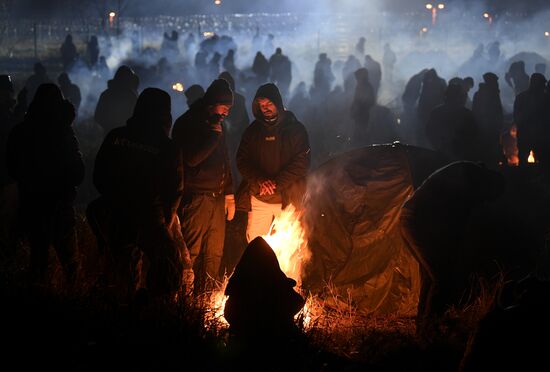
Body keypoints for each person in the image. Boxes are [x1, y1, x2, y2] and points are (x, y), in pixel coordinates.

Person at [90, 88, 188, 301]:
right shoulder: (167, 146)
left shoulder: (116, 136)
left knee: (121, 268)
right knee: (169, 264)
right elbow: (174, 189)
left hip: (117, 214)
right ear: (165, 114)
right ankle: (154, 310)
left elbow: (98, 175)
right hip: (150, 217)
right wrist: (166, 222)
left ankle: (121, 310)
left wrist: (113, 199)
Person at [400, 162, 505, 340]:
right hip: (416, 221)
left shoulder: (467, 172)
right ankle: (430, 331)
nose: (485, 201)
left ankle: (423, 328)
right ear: (489, 185)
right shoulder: (468, 182)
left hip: (413, 218)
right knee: (441, 278)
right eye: (488, 197)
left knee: (430, 276)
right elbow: (455, 225)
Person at [6, 84, 84, 286]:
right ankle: (75, 302)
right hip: (60, 205)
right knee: (71, 264)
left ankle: (37, 298)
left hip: (31, 204)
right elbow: (78, 171)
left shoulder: (21, 131)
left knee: (38, 260)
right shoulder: (64, 133)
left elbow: (10, 167)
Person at [172, 79, 235, 291]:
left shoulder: (217, 124)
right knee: (191, 251)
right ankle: (184, 299)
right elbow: (190, 159)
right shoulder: (189, 123)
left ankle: (208, 297)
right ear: (212, 103)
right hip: (196, 196)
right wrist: (212, 136)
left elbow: (224, 160)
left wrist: (229, 193)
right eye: (224, 106)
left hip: (217, 198)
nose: (226, 112)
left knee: (214, 252)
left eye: (229, 108)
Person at [236, 83, 310, 242]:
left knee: (287, 247)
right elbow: (242, 160)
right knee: (255, 244)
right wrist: (260, 180)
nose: (265, 108)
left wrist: (276, 183)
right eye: (261, 105)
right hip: (259, 198)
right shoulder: (253, 131)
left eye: (269, 104)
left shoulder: (295, 129)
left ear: (278, 103)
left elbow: (301, 163)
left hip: (288, 199)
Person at [224, 237, 305, 339]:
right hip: (274, 337)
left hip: (245, 340)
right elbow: (297, 302)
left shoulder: (239, 282)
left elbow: (229, 314)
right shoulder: (276, 280)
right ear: (271, 259)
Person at [426, 83, 477, 161]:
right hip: (459, 156)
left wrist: (437, 146)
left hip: (443, 154)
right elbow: (473, 135)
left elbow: (429, 132)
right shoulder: (466, 113)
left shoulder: (436, 111)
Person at [94, 65, 139, 136]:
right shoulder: (131, 96)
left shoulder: (106, 94)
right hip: (122, 135)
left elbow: (97, 116)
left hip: (112, 134)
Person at [513, 73, 547, 166]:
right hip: (536, 136)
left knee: (526, 162)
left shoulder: (521, 97)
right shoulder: (545, 99)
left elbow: (517, 117)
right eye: (542, 84)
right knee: (541, 163)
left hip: (529, 135)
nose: (544, 87)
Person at [472, 73, 504, 167]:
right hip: (488, 129)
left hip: (489, 128)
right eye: (495, 81)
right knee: (489, 151)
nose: (497, 83)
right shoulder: (491, 94)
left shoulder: (485, 93)